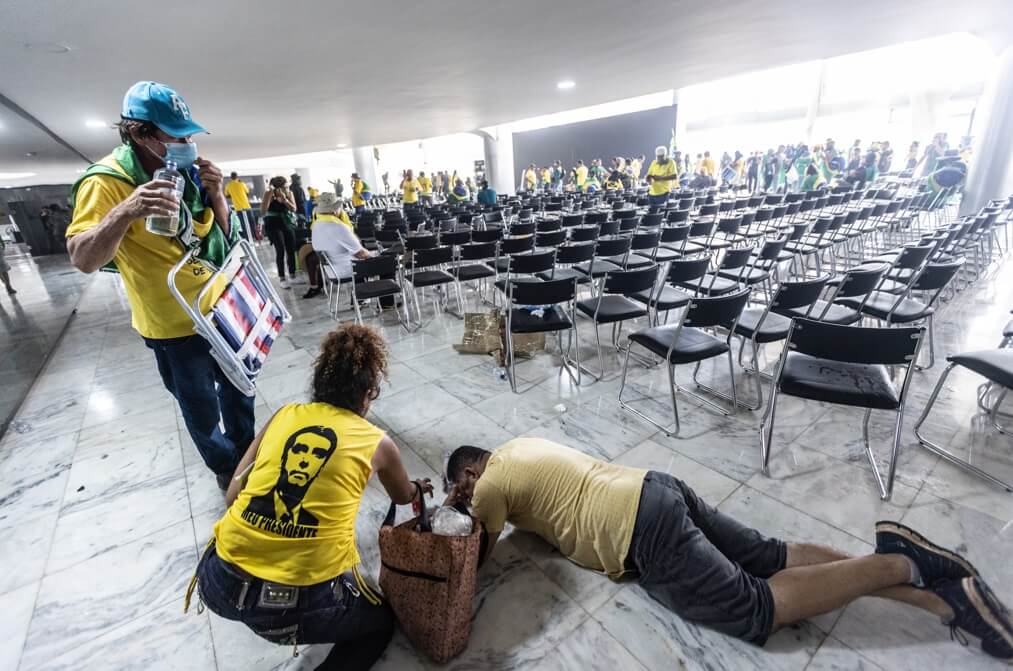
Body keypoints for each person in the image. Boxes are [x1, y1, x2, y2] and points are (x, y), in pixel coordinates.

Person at [444, 438, 1013, 660]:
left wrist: (458, 507)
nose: (467, 496)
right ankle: (940, 598)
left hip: (639, 532)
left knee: (756, 605)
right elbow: (536, 514)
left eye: (463, 486)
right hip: (653, 486)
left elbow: (474, 553)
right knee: (770, 554)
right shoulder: (518, 447)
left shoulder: (488, 488)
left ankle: (900, 559)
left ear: (470, 472)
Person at [193, 324, 435, 671]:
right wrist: (416, 488)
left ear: (320, 382)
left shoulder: (284, 415)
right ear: (367, 394)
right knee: (379, 623)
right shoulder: (377, 442)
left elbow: (233, 496)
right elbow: (402, 496)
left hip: (218, 581)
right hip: (296, 604)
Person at [67, 81, 249, 490]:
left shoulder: (189, 172)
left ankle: (247, 452)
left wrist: (219, 196)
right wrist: (127, 210)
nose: (187, 145)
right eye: (176, 136)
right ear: (139, 133)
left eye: (189, 135)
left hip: (221, 308)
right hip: (173, 325)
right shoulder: (106, 182)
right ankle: (225, 466)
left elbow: (223, 240)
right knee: (200, 407)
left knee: (240, 388)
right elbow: (82, 258)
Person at [300, 193, 368, 299]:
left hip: (332, 268)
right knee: (385, 264)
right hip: (347, 268)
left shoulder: (317, 224)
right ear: (335, 210)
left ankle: (360, 299)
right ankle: (369, 300)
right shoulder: (338, 226)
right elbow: (361, 253)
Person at [261, 176, 299, 288]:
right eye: (284, 187)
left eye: (287, 186)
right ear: (277, 187)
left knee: (291, 248)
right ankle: (282, 278)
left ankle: (292, 275)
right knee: (280, 249)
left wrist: (284, 200)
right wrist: (270, 195)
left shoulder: (289, 193)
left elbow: (294, 209)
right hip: (273, 223)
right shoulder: (269, 193)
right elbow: (263, 211)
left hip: (286, 222)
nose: (287, 188)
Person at [224, 173, 256, 241]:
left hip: (238, 208)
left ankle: (247, 239)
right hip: (247, 206)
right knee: (252, 222)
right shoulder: (242, 184)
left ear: (231, 177)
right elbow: (247, 192)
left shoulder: (228, 186)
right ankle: (256, 237)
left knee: (244, 225)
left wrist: (233, 195)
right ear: (237, 177)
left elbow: (226, 195)